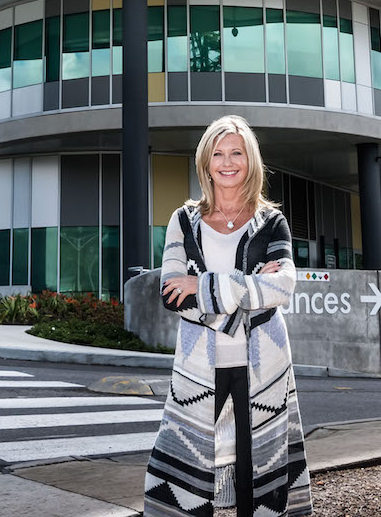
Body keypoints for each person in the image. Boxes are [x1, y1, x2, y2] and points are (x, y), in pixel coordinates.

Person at [144, 115, 313, 517]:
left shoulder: (272, 222)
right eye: (217, 153)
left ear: (250, 160)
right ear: (205, 163)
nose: (227, 161)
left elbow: (283, 287)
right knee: (188, 468)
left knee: (258, 472)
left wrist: (202, 287)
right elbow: (170, 294)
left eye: (236, 152)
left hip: (262, 367)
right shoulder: (183, 221)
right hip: (198, 367)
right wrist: (247, 289)